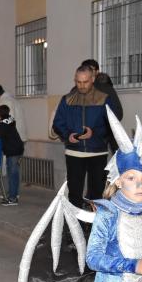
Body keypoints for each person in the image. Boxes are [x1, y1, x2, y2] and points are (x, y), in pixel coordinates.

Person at [16, 105, 142, 282]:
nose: (140, 184)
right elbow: (94, 258)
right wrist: (134, 265)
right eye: (132, 178)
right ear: (118, 181)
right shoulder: (107, 214)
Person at [52, 65, 116, 209]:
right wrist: (68, 135)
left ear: (92, 79)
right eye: (78, 82)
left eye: (85, 82)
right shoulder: (67, 100)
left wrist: (95, 133)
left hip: (98, 151)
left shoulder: (104, 99)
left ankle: (94, 226)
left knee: (97, 192)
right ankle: (74, 226)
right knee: (74, 192)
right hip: (74, 152)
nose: (81, 86)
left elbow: (112, 124)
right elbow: (58, 123)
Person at [0, 105, 24, 206]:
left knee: (12, 174)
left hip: (12, 150)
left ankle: (12, 198)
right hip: (18, 148)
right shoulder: (11, 119)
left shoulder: (2, 125)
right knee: (13, 173)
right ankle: (13, 194)